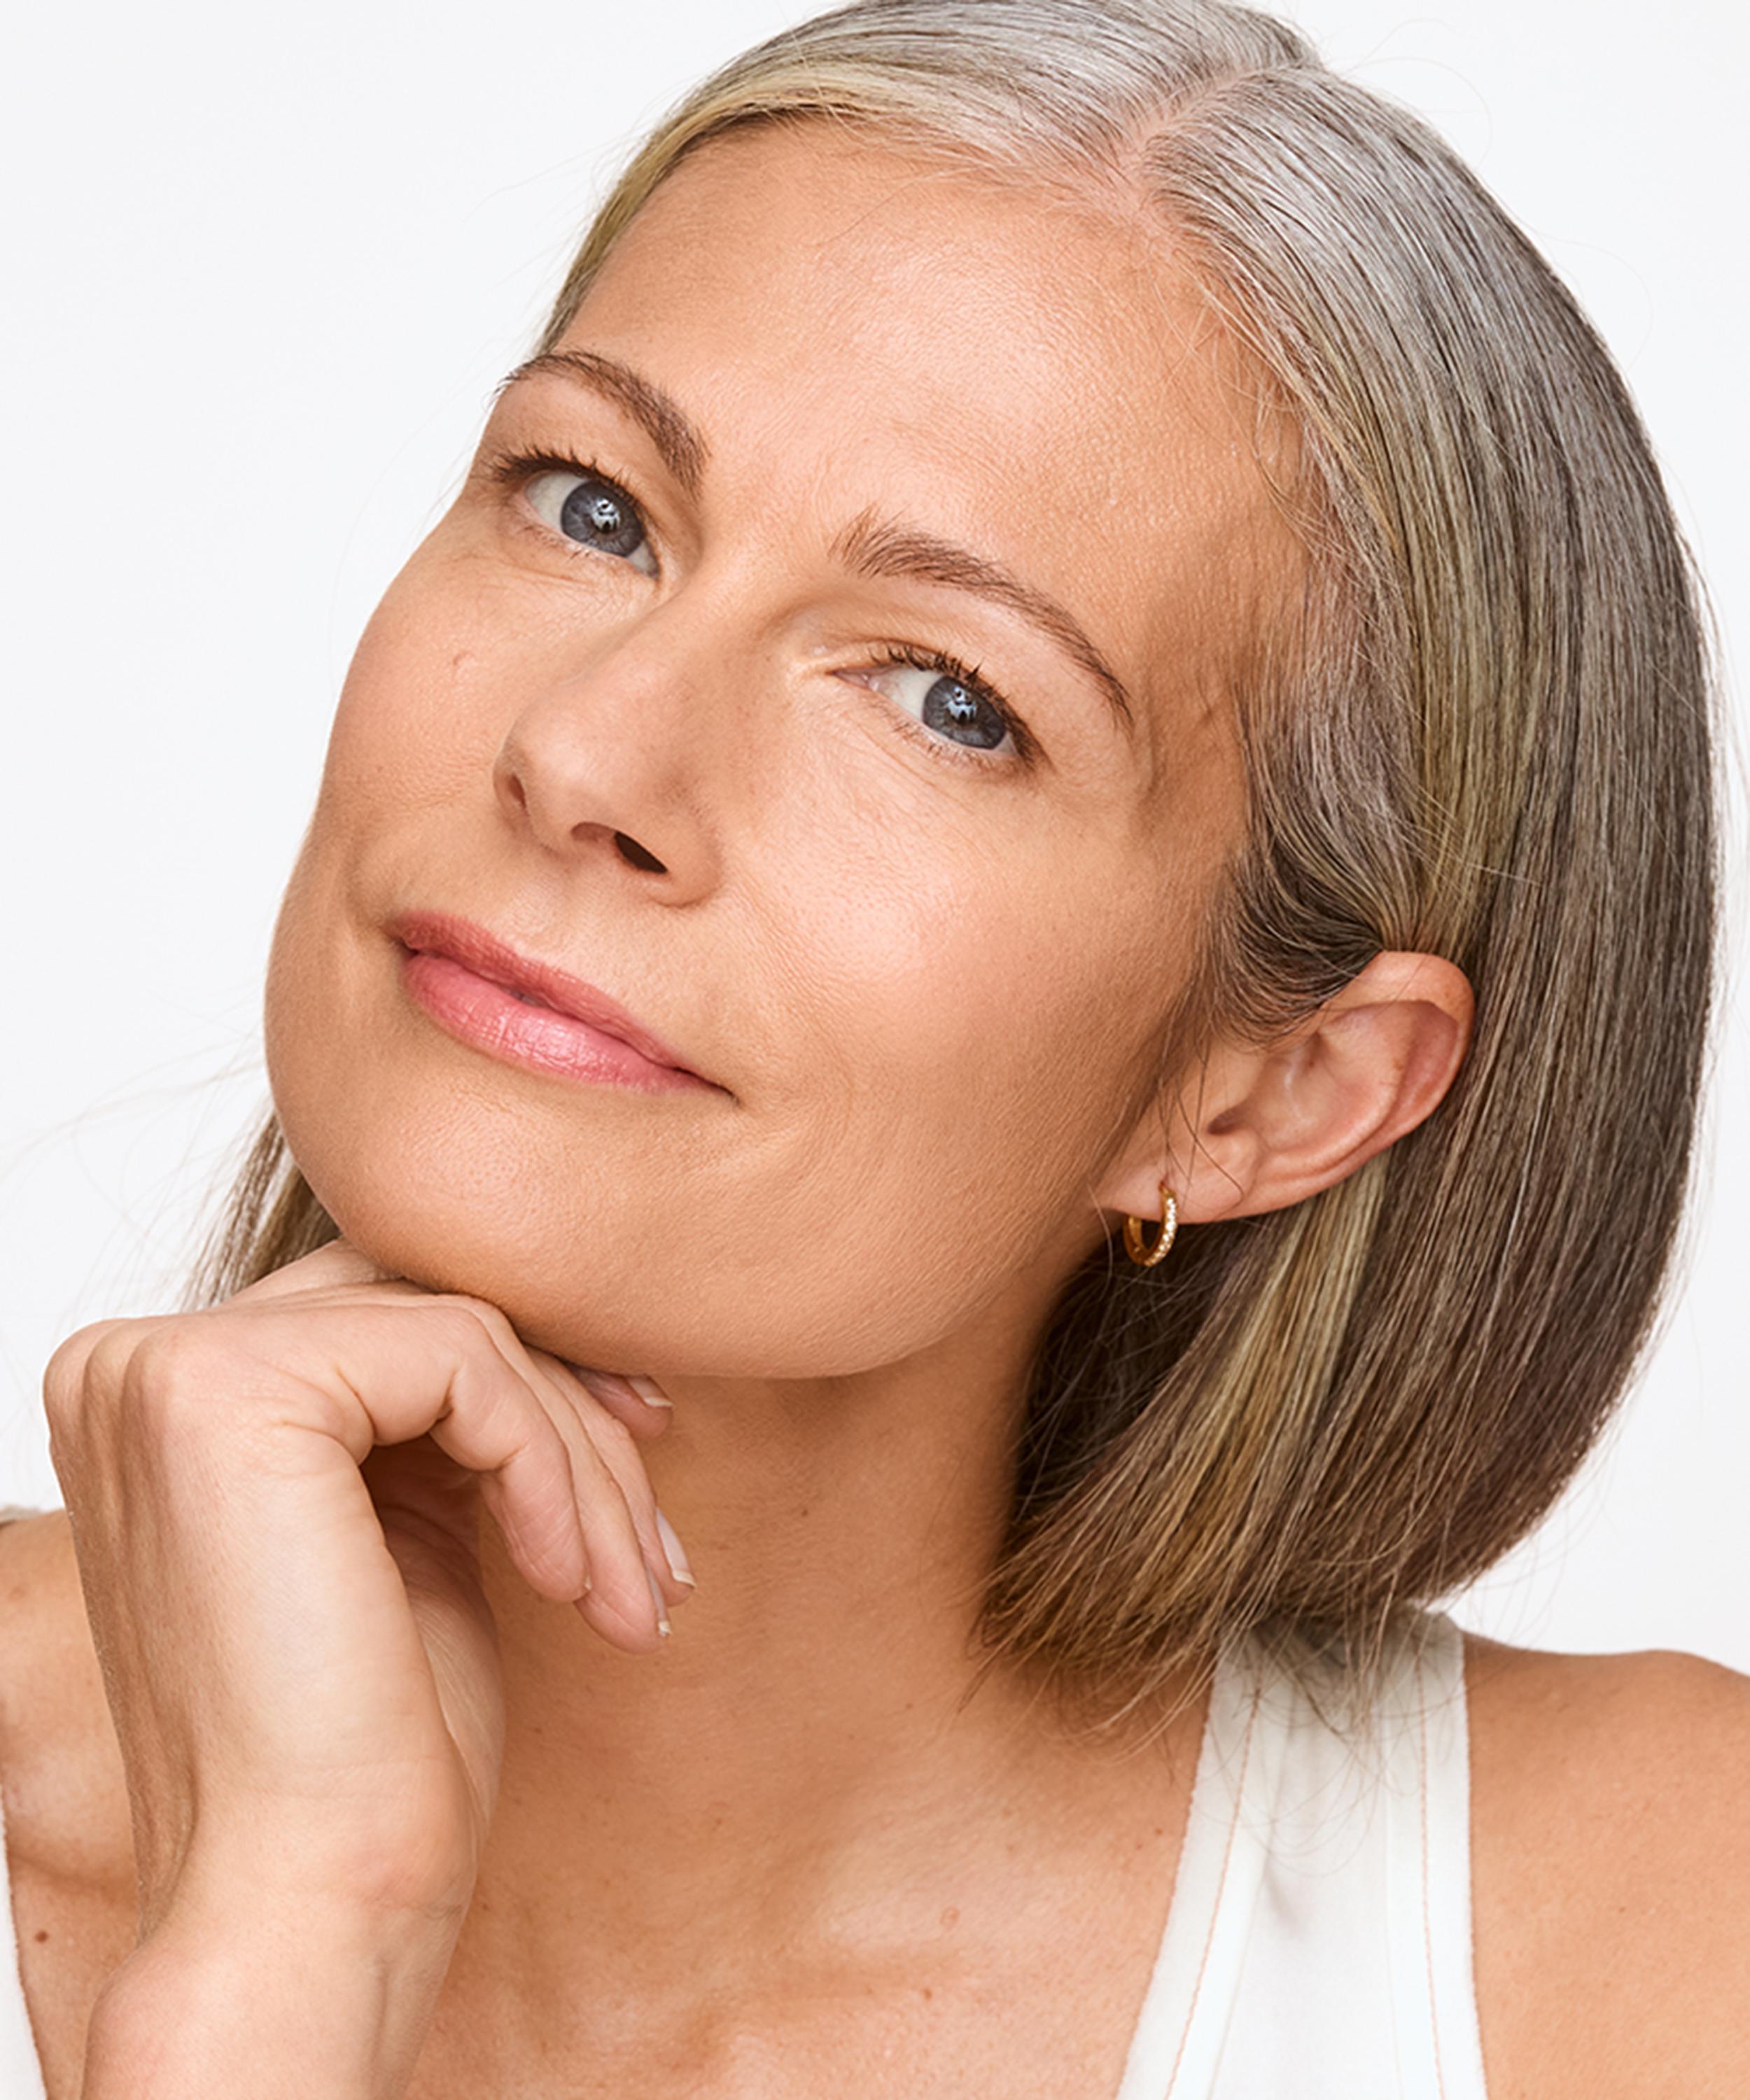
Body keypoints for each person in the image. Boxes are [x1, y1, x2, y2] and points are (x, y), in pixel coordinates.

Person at [4, 0, 1745, 2092]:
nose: (585, 754)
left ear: (1270, 1091)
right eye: (591, 506)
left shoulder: (1659, 1942)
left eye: (944, 698)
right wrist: (278, 1928)